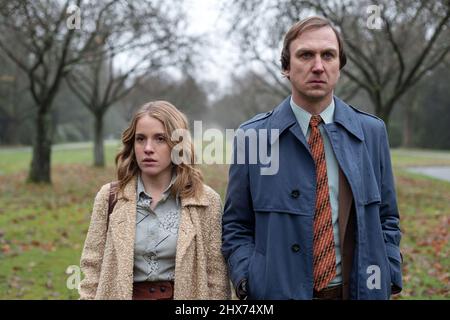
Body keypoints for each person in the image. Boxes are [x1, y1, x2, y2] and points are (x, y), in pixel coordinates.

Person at [222, 16, 402, 300]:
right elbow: (236, 225)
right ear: (286, 67)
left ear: (339, 67)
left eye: (328, 55)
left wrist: (389, 272)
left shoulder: (372, 132)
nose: (318, 66)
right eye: (306, 55)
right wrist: (248, 280)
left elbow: (387, 218)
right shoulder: (252, 137)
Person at [79, 100, 230, 300]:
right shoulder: (110, 197)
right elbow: (92, 266)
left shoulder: (205, 200)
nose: (148, 148)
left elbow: (216, 277)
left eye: (160, 138)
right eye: (140, 139)